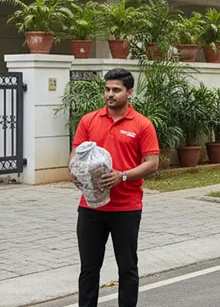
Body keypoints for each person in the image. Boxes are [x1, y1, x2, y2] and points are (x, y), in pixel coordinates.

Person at [70, 68, 160, 307]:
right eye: (107, 89)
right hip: (90, 207)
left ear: (129, 93)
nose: (110, 94)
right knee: (89, 269)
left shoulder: (142, 125)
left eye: (116, 90)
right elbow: (75, 157)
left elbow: (152, 164)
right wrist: (75, 172)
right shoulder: (88, 121)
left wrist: (123, 176)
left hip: (126, 208)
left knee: (127, 269)